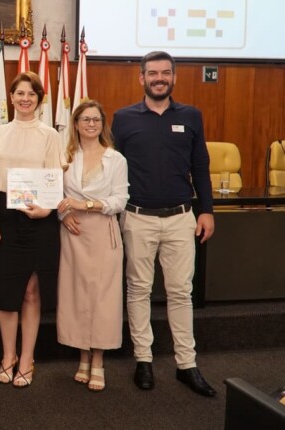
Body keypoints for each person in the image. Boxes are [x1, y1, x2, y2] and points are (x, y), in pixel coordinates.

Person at [113, 50, 216, 397]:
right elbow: (112, 169)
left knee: (180, 293)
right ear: (141, 78)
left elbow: (200, 165)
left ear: (174, 77)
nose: (159, 78)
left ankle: (186, 365)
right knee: (139, 290)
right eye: (152, 73)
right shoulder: (123, 119)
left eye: (165, 73)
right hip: (137, 217)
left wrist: (207, 210)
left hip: (181, 219)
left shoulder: (191, 116)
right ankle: (143, 360)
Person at [0, 71, 62, 388]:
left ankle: (28, 358)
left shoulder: (50, 135)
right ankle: (8, 356)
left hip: (39, 215)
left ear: (39, 98)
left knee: (31, 290)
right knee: (7, 292)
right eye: (19, 93)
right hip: (6, 214)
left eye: (31, 94)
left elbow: (56, 177)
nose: (25, 99)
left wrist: (46, 209)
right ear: (12, 97)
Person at [56, 100, 128, 392]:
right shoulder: (65, 156)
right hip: (74, 234)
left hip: (103, 233)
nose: (90, 124)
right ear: (75, 124)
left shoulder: (116, 159)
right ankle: (82, 357)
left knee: (102, 298)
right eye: (85, 119)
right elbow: (56, 194)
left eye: (96, 120)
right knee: (77, 296)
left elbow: (120, 201)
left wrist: (85, 204)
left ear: (103, 124)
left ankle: (98, 360)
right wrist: (64, 215)